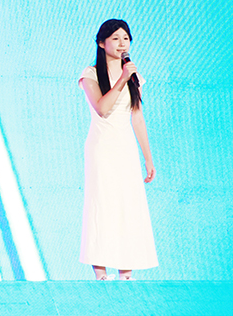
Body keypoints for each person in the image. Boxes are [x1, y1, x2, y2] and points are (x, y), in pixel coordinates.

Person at [78, 19, 157, 280]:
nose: (122, 43)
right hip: (101, 148)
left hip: (126, 148)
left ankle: (126, 271)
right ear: (102, 43)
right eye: (115, 38)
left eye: (126, 38)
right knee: (102, 204)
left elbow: (137, 117)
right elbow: (102, 108)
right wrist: (122, 78)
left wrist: (148, 158)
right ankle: (100, 271)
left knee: (128, 205)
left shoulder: (134, 77)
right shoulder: (90, 74)